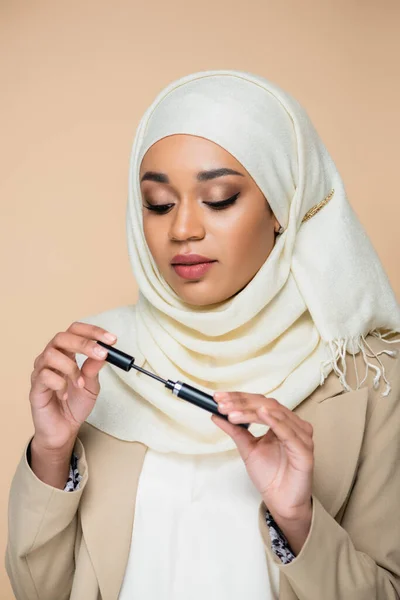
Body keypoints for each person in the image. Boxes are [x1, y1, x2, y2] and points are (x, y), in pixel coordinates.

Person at [5, 69, 400, 600]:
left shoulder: (369, 379)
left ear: (282, 205)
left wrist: (299, 520)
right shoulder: (100, 364)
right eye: (158, 204)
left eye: (217, 198)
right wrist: (51, 455)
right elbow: (40, 592)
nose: (183, 229)